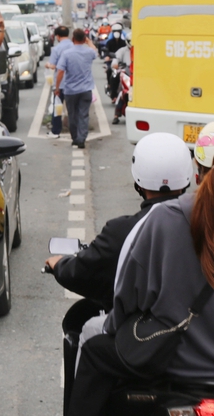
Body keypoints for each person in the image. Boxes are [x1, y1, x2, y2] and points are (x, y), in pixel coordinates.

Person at [68, 119, 214, 416]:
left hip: (164, 368)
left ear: (197, 168)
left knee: (93, 352)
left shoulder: (164, 220)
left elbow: (127, 297)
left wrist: (116, 331)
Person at [45, 133, 192, 310]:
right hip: (202, 329)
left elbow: (83, 272)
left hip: (144, 331)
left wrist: (59, 265)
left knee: (85, 326)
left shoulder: (122, 231)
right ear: (187, 176)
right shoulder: (211, 225)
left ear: (138, 179)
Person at [55, 29, 98, 149]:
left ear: (73, 39)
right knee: (83, 115)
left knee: (72, 115)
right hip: (86, 90)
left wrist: (57, 87)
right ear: (84, 39)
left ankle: (75, 138)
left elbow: (60, 72)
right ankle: (81, 138)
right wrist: (89, 42)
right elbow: (95, 50)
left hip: (70, 90)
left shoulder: (67, 54)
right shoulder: (89, 52)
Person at [46, 26, 72, 139]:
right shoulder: (73, 46)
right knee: (74, 109)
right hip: (73, 83)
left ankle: (56, 131)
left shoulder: (57, 49)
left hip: (60, 83)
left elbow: (53, 66)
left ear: (57, 36)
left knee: (58, 107)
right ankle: (76, 132)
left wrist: (47, 65)